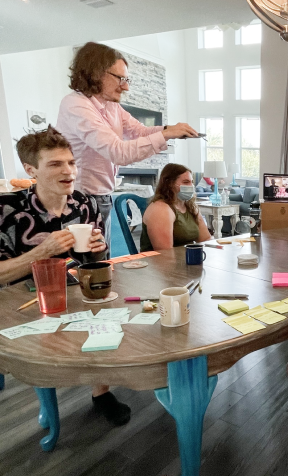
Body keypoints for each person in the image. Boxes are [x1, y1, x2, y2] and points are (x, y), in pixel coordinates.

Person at [0, 127, 131, 426]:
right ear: (31, 169)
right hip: (25, 301)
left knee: (109, 315)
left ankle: (101, 392)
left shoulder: (85, 204)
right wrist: (40, 252)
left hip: (76, 291)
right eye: (56, 164)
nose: (69, 171)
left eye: (71, 162)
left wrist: (98, 250)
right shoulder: (7, 211)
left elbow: (94, 262)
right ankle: (49, 404)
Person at [56, 42, 199, 255]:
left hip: (102, 196)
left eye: (126, 79)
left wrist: (170, 129)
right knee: (87, 264)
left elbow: (139, 131)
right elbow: (118, 152)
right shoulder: (76, 105)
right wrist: (166, 134)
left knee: (101, 260)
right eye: (121, 79)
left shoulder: (112, 106)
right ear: (96, 73)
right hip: (79, 199)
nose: (126, 87)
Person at [140, 163, 212, 251]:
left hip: (186, 259)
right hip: (160, 263)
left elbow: (205, 240)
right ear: (170, 183)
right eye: (186, 182)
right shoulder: (160, 209)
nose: (191, 186)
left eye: (191, 182)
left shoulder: (191, 207)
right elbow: (165, 253)